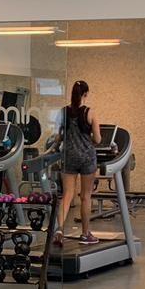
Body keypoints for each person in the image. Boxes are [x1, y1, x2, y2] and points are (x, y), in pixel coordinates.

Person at [54, 80, 101, 244]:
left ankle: (59, 229)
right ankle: (85, 234)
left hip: (69, 157)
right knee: (85, 197)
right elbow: (98, 139)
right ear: (85, 94)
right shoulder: (90, 112)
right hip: (87, 157)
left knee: (67, 195)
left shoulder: (63, 112)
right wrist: (89, 142)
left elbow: (58, 137)